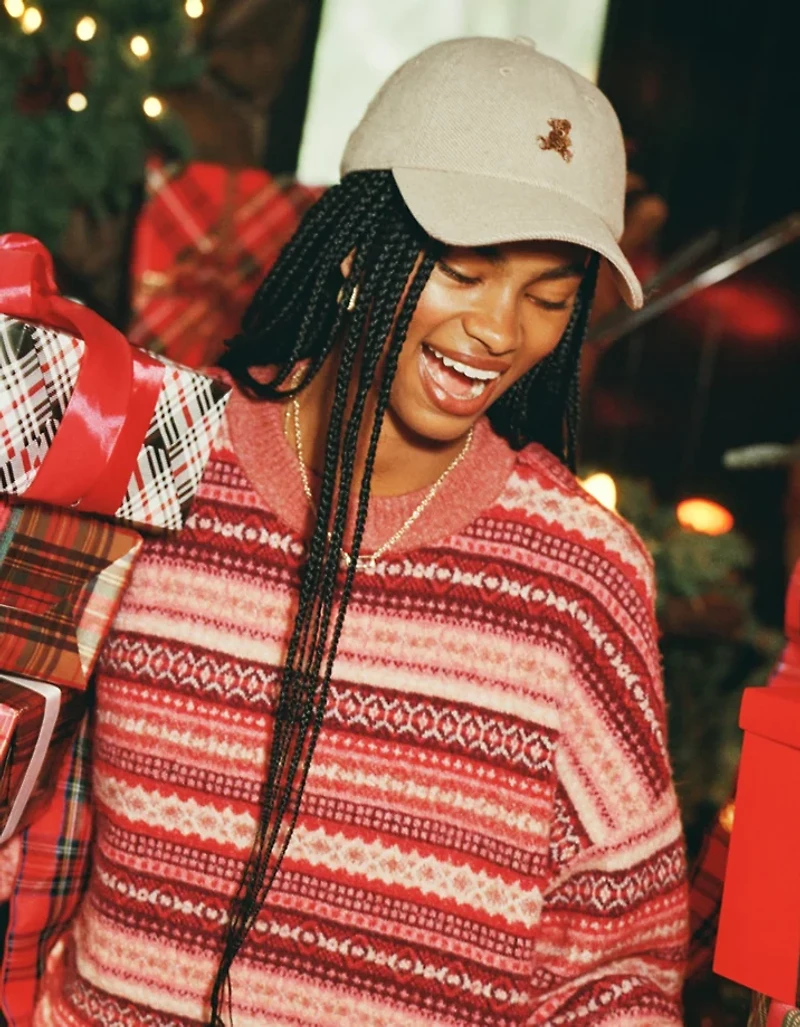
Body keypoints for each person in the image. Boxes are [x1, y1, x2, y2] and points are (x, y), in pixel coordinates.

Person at [18, 36, 687, 1026]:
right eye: (464, 271)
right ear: (350, 242)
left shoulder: (576, 572)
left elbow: (617, 961)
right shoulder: (161, 458)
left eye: (548, 296)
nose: (501, 332)